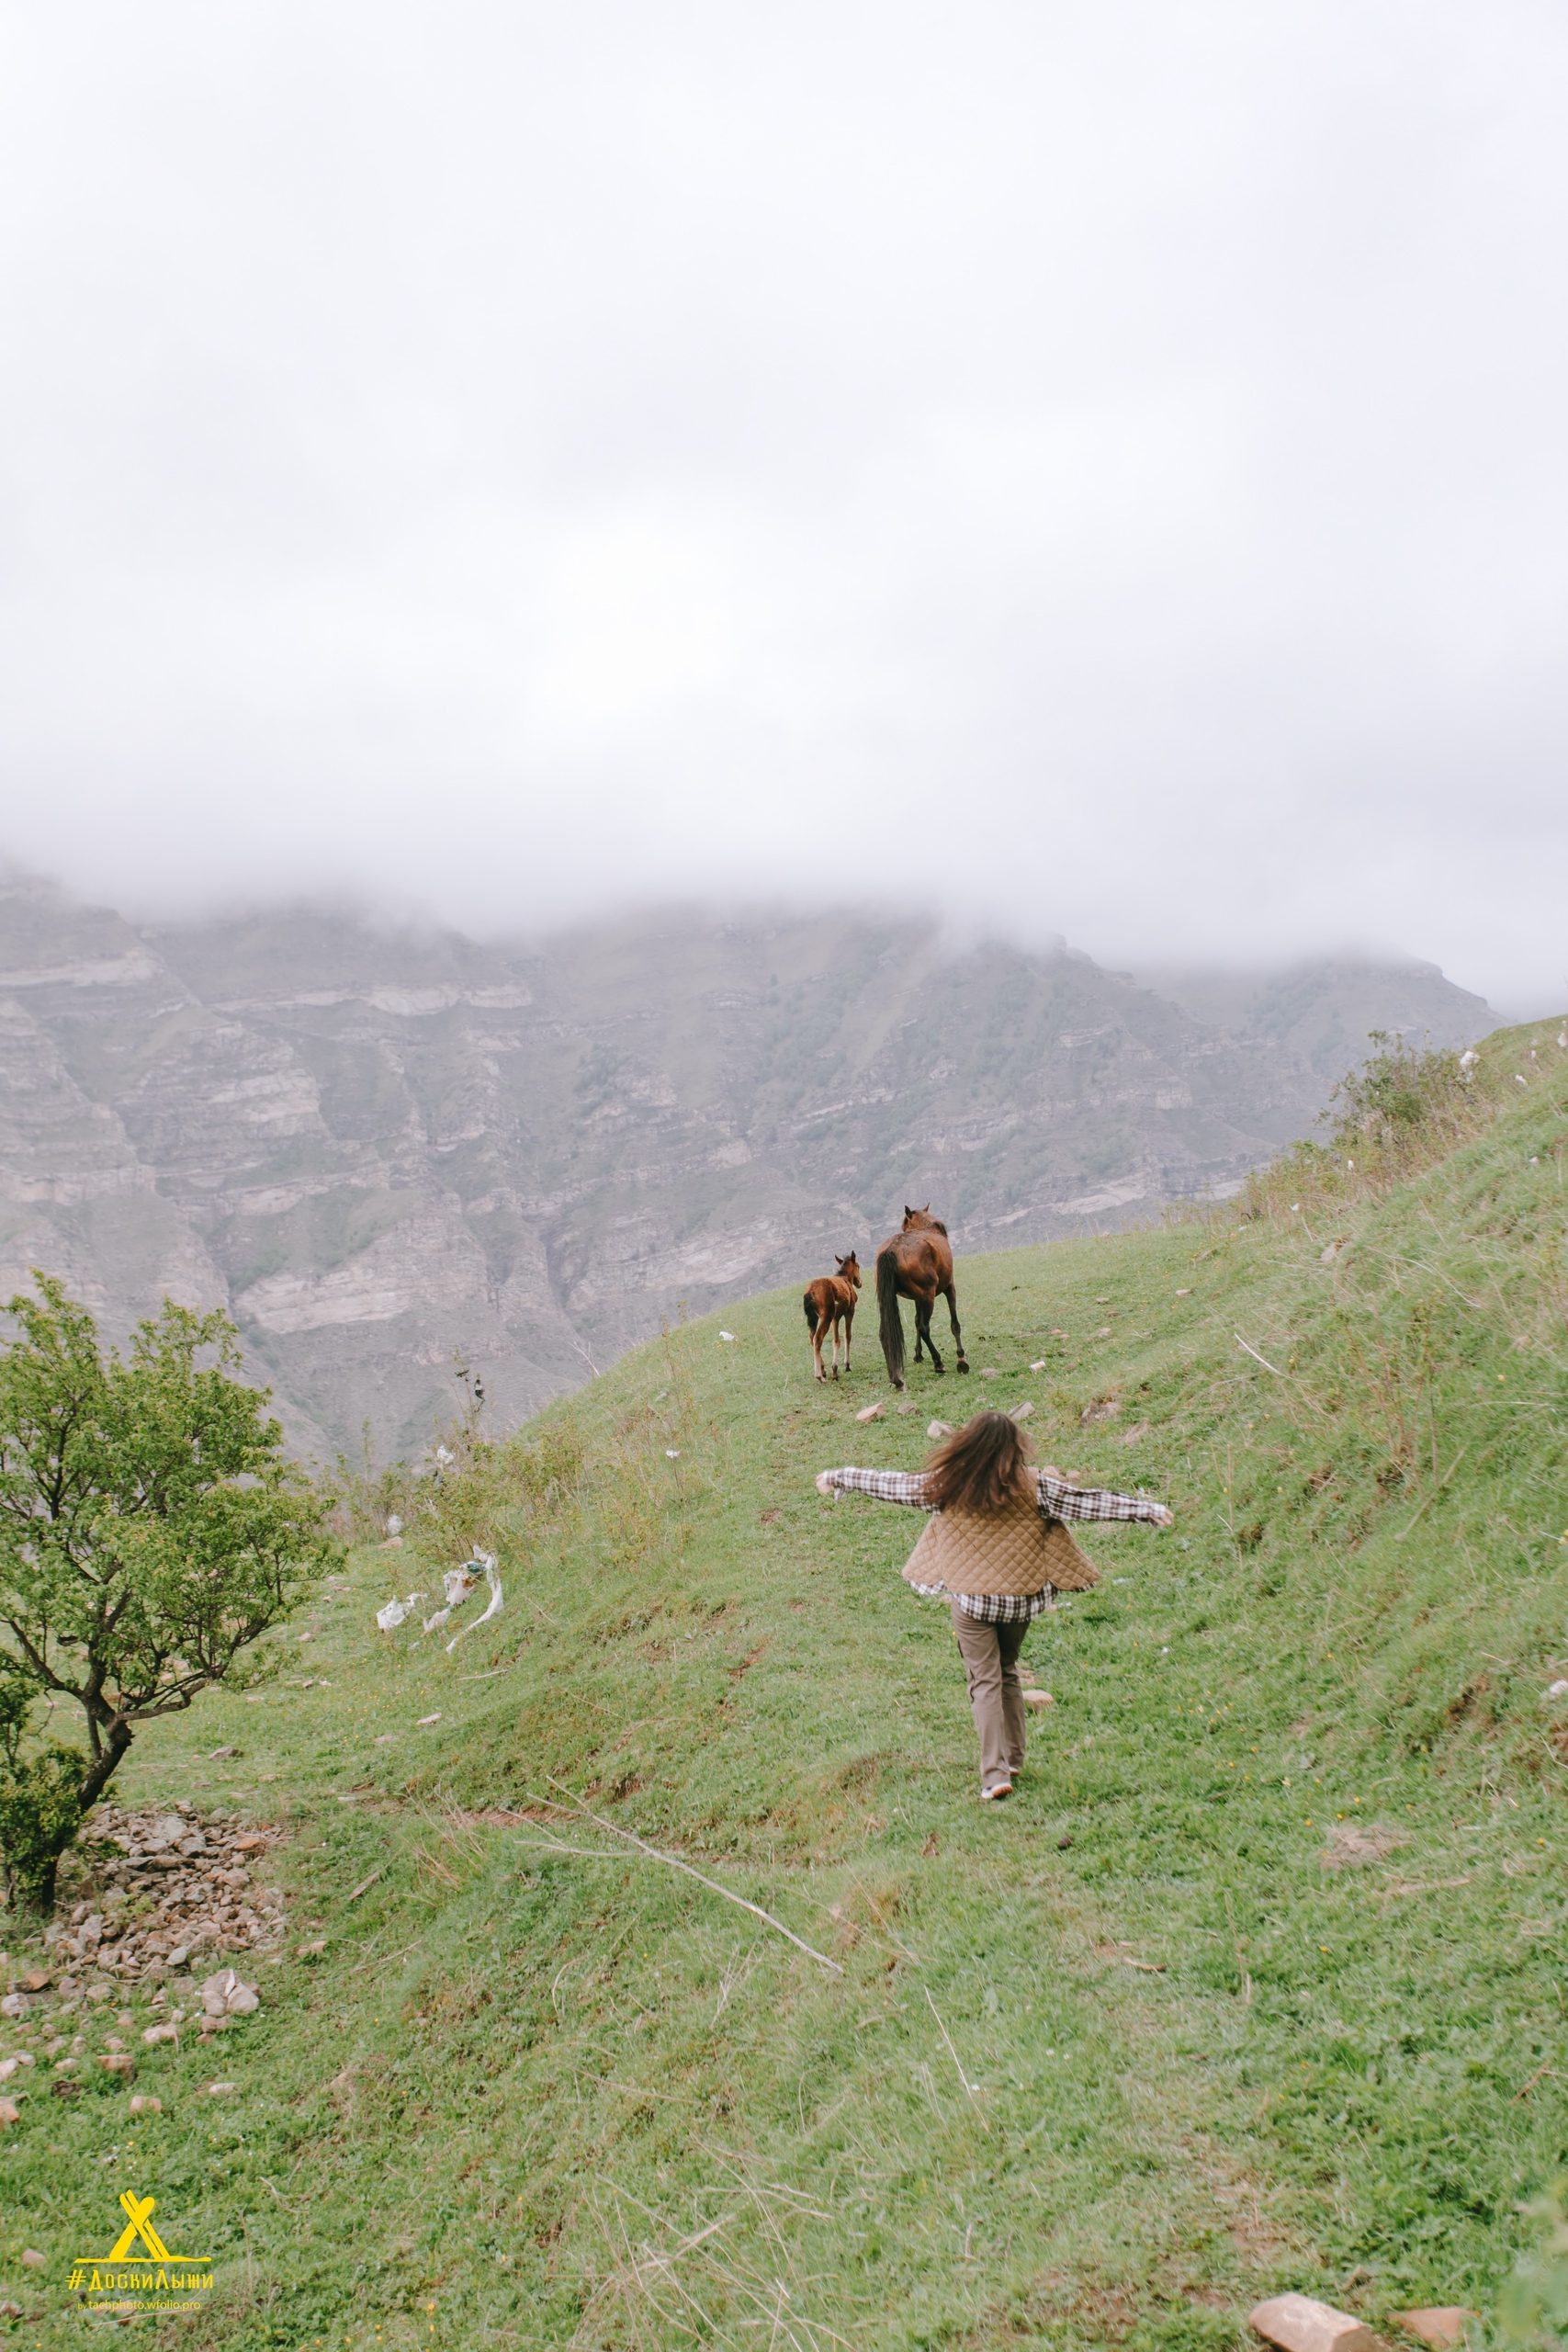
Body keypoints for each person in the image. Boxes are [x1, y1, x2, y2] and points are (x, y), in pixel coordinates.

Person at [816, 1410, 1173, 1802]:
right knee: (1007, 1671)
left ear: (967, 1443)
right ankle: (1015, 1757)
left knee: (983, 1680)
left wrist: (839, 1477)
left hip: (971, 1602)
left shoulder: (945, 1484)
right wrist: (1148, 1510)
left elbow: (891, 1484)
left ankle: (994, 1773)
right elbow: (1090, 1503)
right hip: (1020, 1601)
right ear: (1015, 1447)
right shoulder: (1038, 1487)